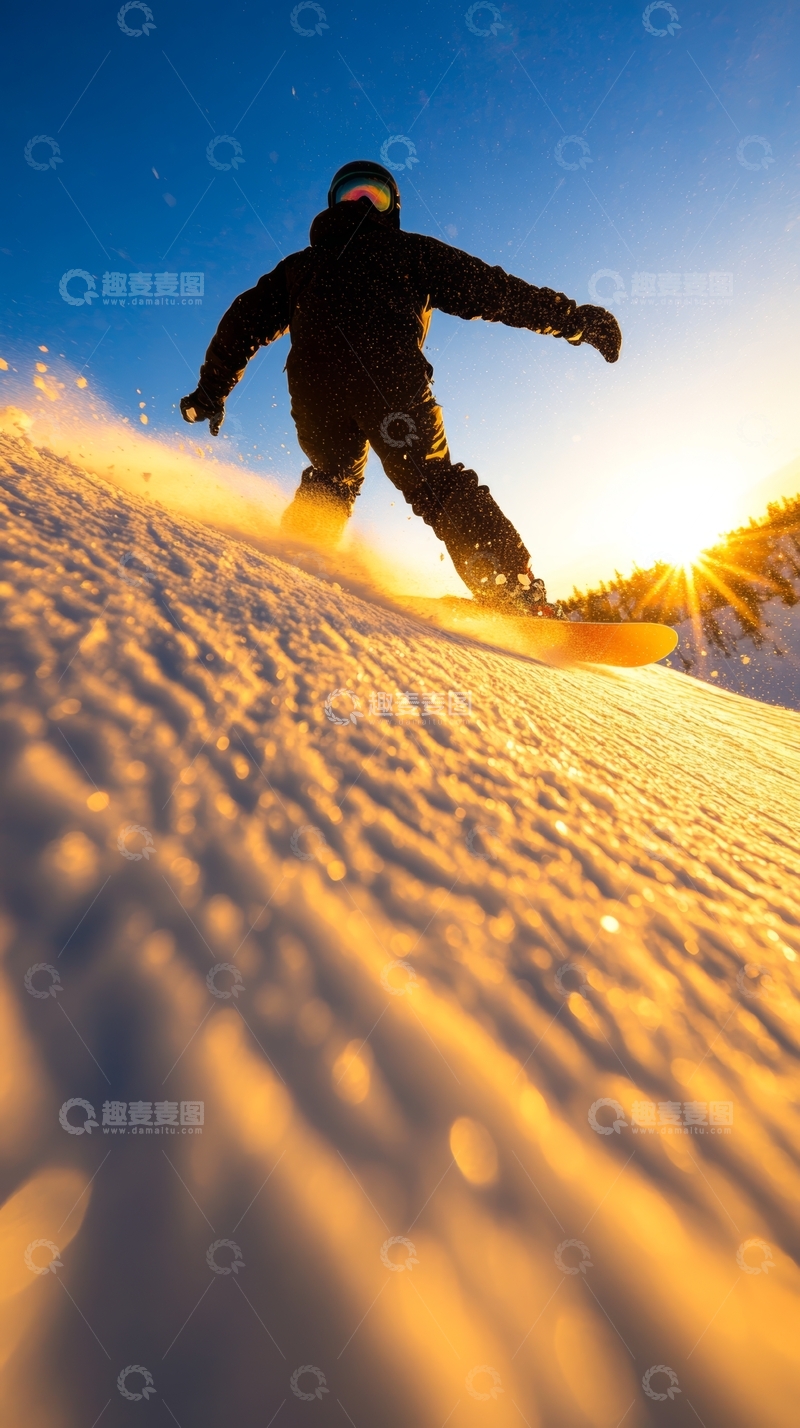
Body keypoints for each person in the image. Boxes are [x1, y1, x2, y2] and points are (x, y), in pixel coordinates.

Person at [181, 160, 621, 616]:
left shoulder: (300, 266)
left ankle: (299, 554)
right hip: (389, 378)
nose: (361, 204)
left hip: (314, 388)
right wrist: (573, 321)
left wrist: (212, 390)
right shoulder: (409, 252)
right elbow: (493, 291)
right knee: (435, 483)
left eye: (373, 195)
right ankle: (511, 589)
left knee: (333, 477)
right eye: (353, 195)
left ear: (390, 206)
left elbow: (244, 321)